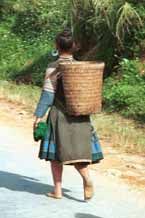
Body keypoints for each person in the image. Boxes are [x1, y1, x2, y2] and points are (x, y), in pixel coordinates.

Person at [33, 30, 104, 201]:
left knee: (56, 154)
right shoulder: (81, 68)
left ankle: (57, 191)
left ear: (57, 46)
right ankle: (86, 178)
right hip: (80, 115)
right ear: (73, 47)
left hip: (59, 114)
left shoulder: (53, 67)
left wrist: (38, 115)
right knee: (78, 151)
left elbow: (48, 95)